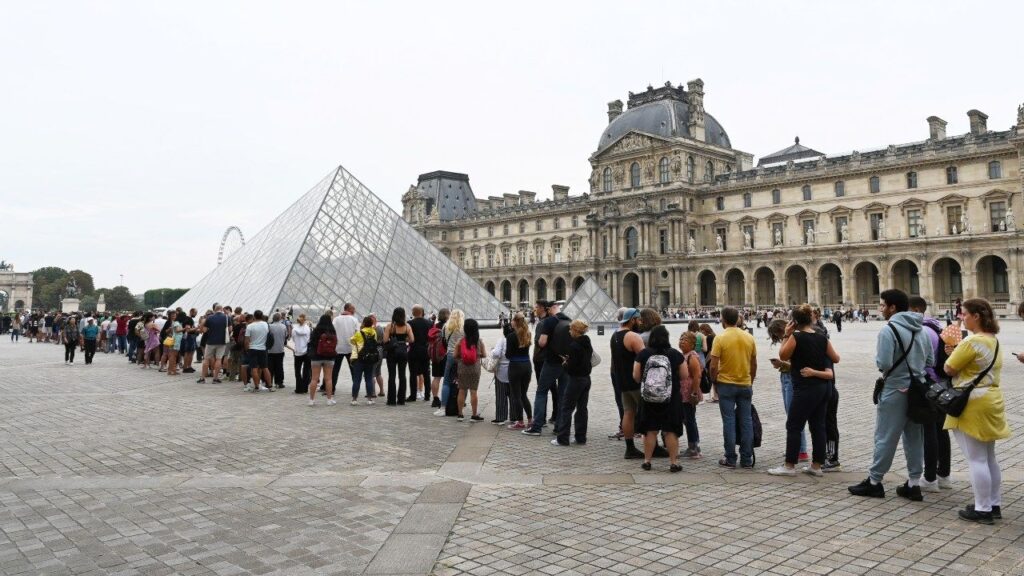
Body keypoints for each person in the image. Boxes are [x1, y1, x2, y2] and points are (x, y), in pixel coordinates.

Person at [849, 289, 931, 500]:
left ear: (893, 307)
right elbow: (930, 362)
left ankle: (875, 481)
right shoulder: (921, 330)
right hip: (918, 391)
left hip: (895, 390)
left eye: (883, 305)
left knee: (885, 437)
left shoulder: (889, 330)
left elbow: (883, 363)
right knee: (914, 437)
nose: (881, 309)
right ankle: (914, 484)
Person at [943, 298, 1011, 524]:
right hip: (991, 399)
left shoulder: (971, 342)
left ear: (976, 316)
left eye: (964, 314)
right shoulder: (994, 341)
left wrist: (950, 352)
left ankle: (982, 509)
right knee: (989, 457)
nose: (962, 318)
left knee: (976, 459)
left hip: (971, 402)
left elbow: (949, 368)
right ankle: (994, 503)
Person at [768, 305, 840, 477]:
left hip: (805, 387)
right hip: (822, 388)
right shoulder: (822, 337)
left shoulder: (796, 337)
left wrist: (786, 334)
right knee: (818, 426)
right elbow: (836, 358)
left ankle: (789, 466)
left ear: (794, 322)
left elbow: (783, 355)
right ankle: (816, 466)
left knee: (794, 425)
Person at [910, 296, 952, 491]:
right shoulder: (936, 327)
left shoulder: (923, 331)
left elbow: (923, 362)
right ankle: (944, 475)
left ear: (916, 310)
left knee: (930, 432)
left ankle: (929, 478)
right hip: (942, 384)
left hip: (930, 385)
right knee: (941, 432)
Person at [709, 307, 757, 469]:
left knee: (728, 421)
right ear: (737, 319)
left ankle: (730, 458)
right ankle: (746, 459)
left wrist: (713, 380)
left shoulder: (720, 338)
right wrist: (751, 379)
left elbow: (714, 365)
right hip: (745, 384)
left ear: (723, 319)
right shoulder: (749, 337)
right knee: (746, 422)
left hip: (726, 385)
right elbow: (754, 363)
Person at [633, 325, 684, 472]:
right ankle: (674, 463)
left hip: (649, 398)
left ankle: (647, 461)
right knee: (670, 431)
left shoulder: (643, 354)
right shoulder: (675, 354)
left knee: (650, 430)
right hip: (671, 398)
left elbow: (636, 376)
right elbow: (685, 375)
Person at [523, 301, 571, 436]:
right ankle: (559, 427)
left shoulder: (549, 321)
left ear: (549, 309)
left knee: (541, 391)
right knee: (562, 394)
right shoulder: (568, 320)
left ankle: (537, 427)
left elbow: (542, 343)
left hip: (552, 362)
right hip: (566, 362)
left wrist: (540, 341)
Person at [610, 308, 650, 459]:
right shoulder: (633, 336)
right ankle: (653, 446)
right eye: (638, 320)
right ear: (632, 320)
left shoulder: (615, 335)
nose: (640, 322)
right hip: (636, 381)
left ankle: (630, 448)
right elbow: (644, 358)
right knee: (648, 413)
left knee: (628, 413)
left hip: (622, 382)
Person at [767, 319, 809, 462]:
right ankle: (797, 448)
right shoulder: (790, 339)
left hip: (792, 379)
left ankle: (801, 450)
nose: (778, 339)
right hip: (785, 377)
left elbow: (799, 366)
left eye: (777, 335)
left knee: (794, 416)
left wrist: (782, 363)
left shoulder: (795, 339)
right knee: (791, 415)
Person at [505, 312, 533, 430]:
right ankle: (531, 420)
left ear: (515, 322)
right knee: (523, 394)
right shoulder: (528, 334)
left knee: (516, 395)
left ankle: (520, 422)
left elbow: (508, 354)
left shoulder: (511, 336)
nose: (511, 322)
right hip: (527, 365)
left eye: (512, 320)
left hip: (515, 366)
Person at [454, 318, 486, 422]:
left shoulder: (460, 341)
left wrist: (462, 357)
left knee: (462, 390)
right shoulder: (479, 341)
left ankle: (460, 414)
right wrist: (477, 354)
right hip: (475, 368)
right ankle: (474, 415)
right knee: (473, 391)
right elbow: (484, 355)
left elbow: (455, 356)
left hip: (462, 368)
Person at [678, 331, 703, 459]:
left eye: (685, 339)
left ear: (693, 344)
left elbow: (697, 375)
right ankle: (695, 446)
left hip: (689, 393)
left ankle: (693, 448)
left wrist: (693, 393)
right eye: (681, 339)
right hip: (684, 393)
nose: (682, 341)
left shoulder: (691, 356)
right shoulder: (684, 355)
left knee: (689, 420)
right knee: (688, 420)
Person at [436, 309, 465, 417]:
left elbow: (444, 342)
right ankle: (459, 408)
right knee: (461, 383)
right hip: (462, 357)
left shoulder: (445, 327)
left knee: (447, 381)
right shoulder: (464, 328)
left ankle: (443, 408)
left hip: (450, 355)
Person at [383, 307, 413, 405]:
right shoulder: (407, 326)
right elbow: (412, 339)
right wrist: (404, 340)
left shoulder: (390, 326)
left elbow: (385, 340)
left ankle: (391, 400)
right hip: (403, 352)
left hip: (392, 352)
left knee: (392, 376)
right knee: (402, 375)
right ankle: (401, 399)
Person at [307, 314, 337, 405]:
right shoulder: (332, 331)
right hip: (329, 357)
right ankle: (329, 399)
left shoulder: (316, 330)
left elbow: (311, 342)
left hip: (316, 357)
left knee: (314, 379)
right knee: (328, 379)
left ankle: (311, 400)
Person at [350, 316, 379, 405]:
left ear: (363, 323)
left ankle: (354, 399)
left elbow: (351, 340)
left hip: (359, 358)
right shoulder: (374, 332)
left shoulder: (359, 333)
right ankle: (369, 399)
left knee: (357, 379)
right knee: (369, 379)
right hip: (370, 358)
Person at [331, 303, 360, 394]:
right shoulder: (354, 320)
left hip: (337, 348)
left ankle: (331, 389)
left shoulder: (336, 319)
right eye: (353, 309)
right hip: (351, 348)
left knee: (335, 370)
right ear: (349, 309)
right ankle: (355, 391)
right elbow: (357, 335)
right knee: (354, 371)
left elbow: (332, 333)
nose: (355, 311)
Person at [197, 305, 229, 384]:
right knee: (218, 359)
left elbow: (203, 330)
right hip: (222, 341)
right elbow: (230, 329)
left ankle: (202, 378)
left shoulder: (210, 318)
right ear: (221, 309)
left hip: (210, 341)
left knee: (206, 359)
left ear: (214, 310)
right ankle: (215, 378)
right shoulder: (226, 317)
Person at [407, 305, 433, 402]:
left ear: (413, 313)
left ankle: (413, 396)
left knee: (413, 374)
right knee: (426, 373)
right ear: (422, 312)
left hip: (413, 351)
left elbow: (408, 338)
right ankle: (427, 395)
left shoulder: (409, 323)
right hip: (425, 351)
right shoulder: (430, 323)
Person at [244, 310, 273, 393]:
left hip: (253, 348)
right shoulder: (265, 325)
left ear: (254, 316)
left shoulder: (250, 326)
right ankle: (270, 386)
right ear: (262, 316)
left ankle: (257, 386)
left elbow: (247, 340)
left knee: (254, 368)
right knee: (265, 368)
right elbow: (268, 335)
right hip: (263, 348)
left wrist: (247, 349)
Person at [429, 308, 450, 408]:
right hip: (446, 355)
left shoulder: (435, 326)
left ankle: (435, 399)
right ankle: (449, 398)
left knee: (436, 378)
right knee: (448, 378)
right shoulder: (449, 326)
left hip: (436, 356)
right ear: (447, 315)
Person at [489, 327, 511, 425]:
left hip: (501, 371)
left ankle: (501, 417)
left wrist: (492, 350)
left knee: (501, 395)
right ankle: (515, 417)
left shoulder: (502, 340)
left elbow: (496, 354)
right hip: (513, 370)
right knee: (513, 396)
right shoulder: (518, 339)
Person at [291, 314, 311, 394]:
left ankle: (299, 388)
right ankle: (305, 388)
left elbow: (293, 339)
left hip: (297, 352)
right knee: (306, 371)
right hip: (306, 352)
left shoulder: (294, 329)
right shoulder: (307, 328)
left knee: (297, 371)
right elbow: (309, 339)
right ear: (305, 319)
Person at [267, 313, 288, 389]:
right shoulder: (283, 326)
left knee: (270, 367)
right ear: (280, 319)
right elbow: (286, 336)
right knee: (279, 367)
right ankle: (279, 383)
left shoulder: (269, 326)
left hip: (270, 350)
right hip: (280, 349)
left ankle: (269, 382)